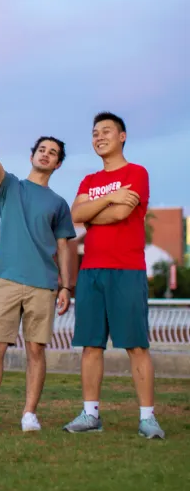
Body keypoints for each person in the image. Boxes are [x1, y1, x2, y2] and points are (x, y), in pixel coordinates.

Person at [0, 113, 76, 433]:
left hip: (43, 284)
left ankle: (30, 414)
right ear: (32, 155)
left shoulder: (59, 203)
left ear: (57, 165)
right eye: (42, 149)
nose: (46, 153)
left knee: (36, 350)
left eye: (53, 152)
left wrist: (66, 287)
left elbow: (65, 247)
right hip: (7, 280)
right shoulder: (10, 186)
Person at [63, 111, 165, 439]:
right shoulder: (89, 181)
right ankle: (90, 414)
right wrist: (107, 198)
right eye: (94, 133)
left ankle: (148, 419)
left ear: (122, 136)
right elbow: (76, 215)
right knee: (91, 346)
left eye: (106, 131)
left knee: (136, 345)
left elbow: (122, 214)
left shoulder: (137, 172)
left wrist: (96, 211)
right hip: (91, 271)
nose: (99, 137)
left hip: (127, 270)